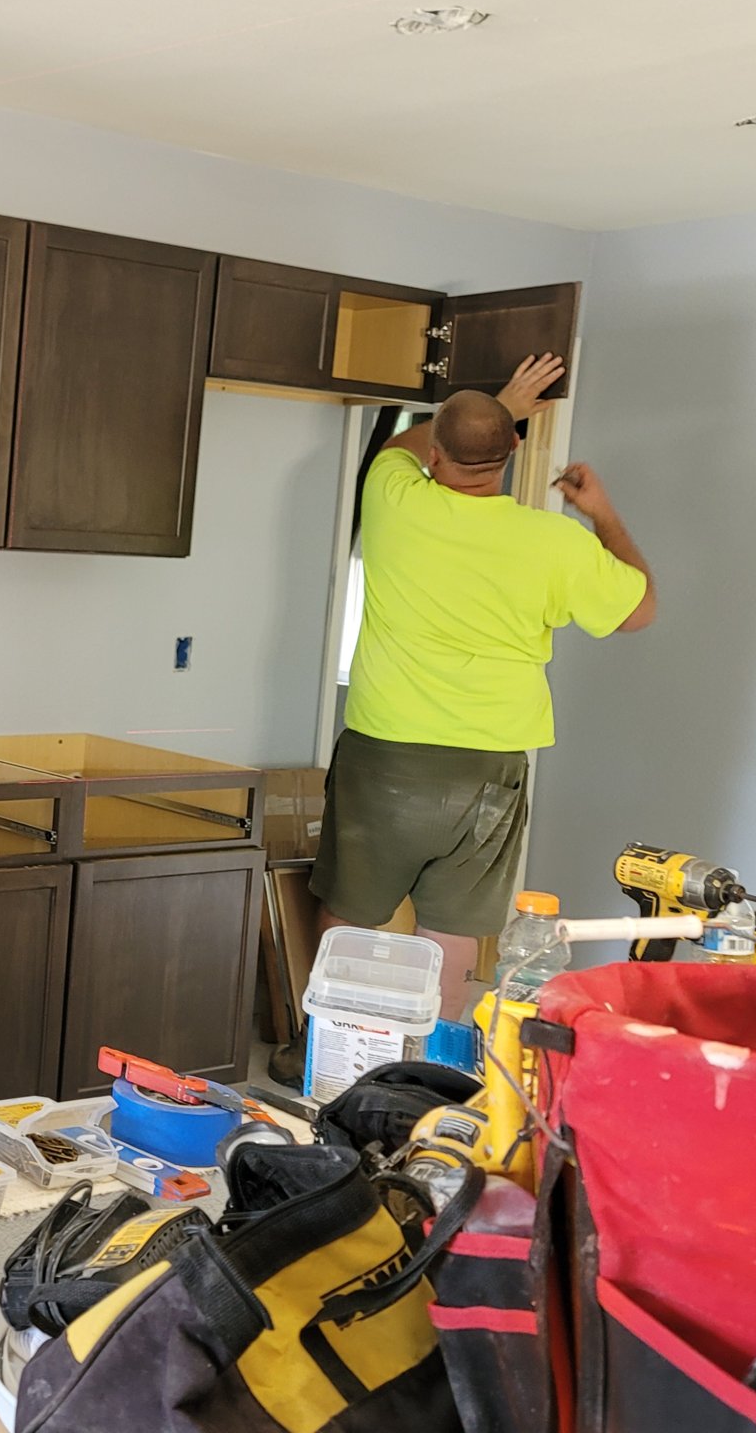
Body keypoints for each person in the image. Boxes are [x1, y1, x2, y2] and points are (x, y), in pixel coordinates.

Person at [290, 354, 656, 1070]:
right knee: (454, 928)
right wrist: (600, 510)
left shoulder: (398, 499)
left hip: (385, 754)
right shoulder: (555, 543)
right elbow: (638, 609)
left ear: (436, 455)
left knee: (351, 912)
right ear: (515, 451)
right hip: (489, 766)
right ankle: (419, 1070)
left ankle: (329, 1056)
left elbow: (397, 446)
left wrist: (504, 402)